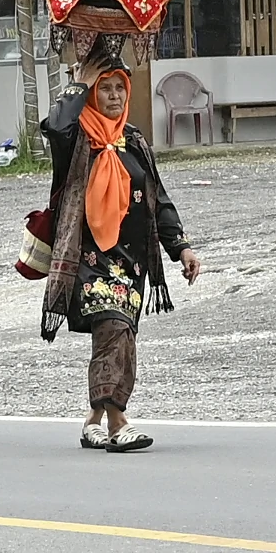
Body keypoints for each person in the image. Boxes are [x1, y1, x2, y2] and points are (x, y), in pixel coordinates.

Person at [40, 58, 201, 452]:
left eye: (119, 88)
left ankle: (93, 420)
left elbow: (157, 198)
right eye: (105, 88)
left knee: (122, 336)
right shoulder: (75, 137)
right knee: (112, 327)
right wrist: (79, 84)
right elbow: (55, 124)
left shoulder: (135, 140)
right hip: (88, 257)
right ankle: (118, 420)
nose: (113, 96)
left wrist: (181, 247)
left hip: (131, 261)